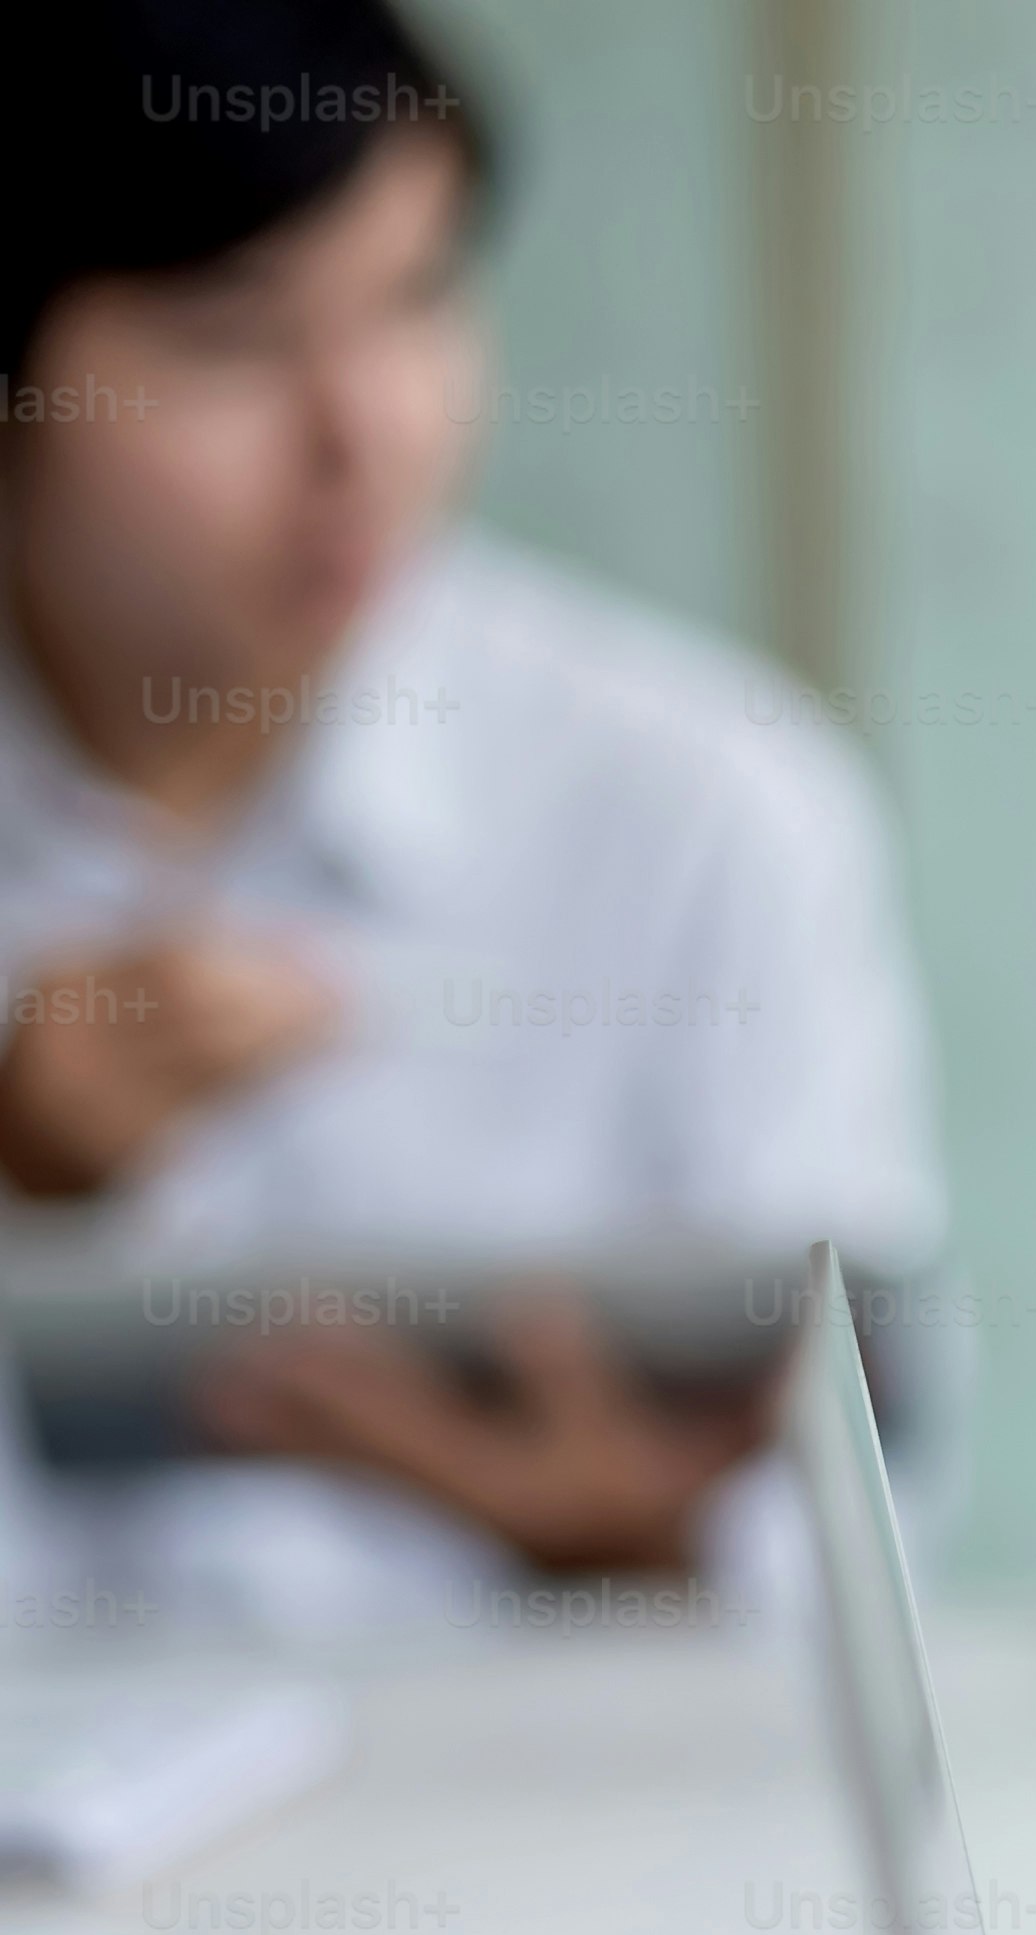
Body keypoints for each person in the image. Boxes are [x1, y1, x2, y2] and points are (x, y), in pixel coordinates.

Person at [0, 0, 943, 1623]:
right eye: (229, 340)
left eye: (417, 298)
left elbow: (877, 1515)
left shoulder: (697, 805)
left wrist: (652, 1553)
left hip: (549, 1839)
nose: (365, 435)